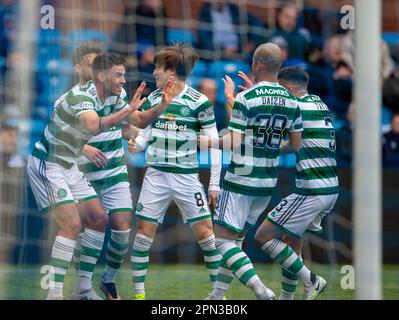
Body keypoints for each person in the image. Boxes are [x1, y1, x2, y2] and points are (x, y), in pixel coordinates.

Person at [27, 52, 174, 300]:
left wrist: (161, 106)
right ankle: (54, 294)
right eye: (118, 75)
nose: (122, 81)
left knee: (98, 218)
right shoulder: (80, 96)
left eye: (124, 76)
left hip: (70, 166)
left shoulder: (115, 96)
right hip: (48, 163)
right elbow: (94, 126)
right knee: (72, 225)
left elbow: (137, 119)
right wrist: (127, 109)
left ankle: (83, 289)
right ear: (102, 76)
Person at [199, 43, 302, 300]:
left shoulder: (248, 98)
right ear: (279, 66)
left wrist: (206, 142)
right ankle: (216, 295)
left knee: (221, 242)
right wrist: (270, 150)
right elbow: (296, 145)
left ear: (256, 64)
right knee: (235, 243)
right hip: (267, 184)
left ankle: (262, 292)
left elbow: (233, 141)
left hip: (240, 181)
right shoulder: (292, 100)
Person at [128, 43, 222, 300]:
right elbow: (146, 132)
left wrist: (214, 184)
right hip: (155, 175)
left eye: (158, 67)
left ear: (171, 71)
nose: (154, 72)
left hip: (187, 177)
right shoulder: (155, 98)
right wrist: (138, 144)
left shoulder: (199, 102)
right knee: (144, 233)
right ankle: (139, 295)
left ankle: (218, 295)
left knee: (206, 233)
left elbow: (214, 145)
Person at [254, 66, 338, 300]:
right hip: (328, 187)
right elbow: (295, 145)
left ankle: (312, 280)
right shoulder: (318, 103)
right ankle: (287, 298)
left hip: (312, 189)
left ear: (289, 89)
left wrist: (251, 96)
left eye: (281, 90)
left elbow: (268, 119)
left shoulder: (298, 106)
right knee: (291, 241)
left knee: (263, 235)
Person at [69, 45, 135, 300]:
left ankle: (107, 280)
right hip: (83, 174)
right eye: (91, 63)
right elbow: (61, 136)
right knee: (81, 230)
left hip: (114, 170)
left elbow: (128, 126)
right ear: (79, 68)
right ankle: (82, 286)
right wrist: (84, 148)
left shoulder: (118, 94)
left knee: (121, 228)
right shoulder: (72, 97)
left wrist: (133, 136)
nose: (98, 68)